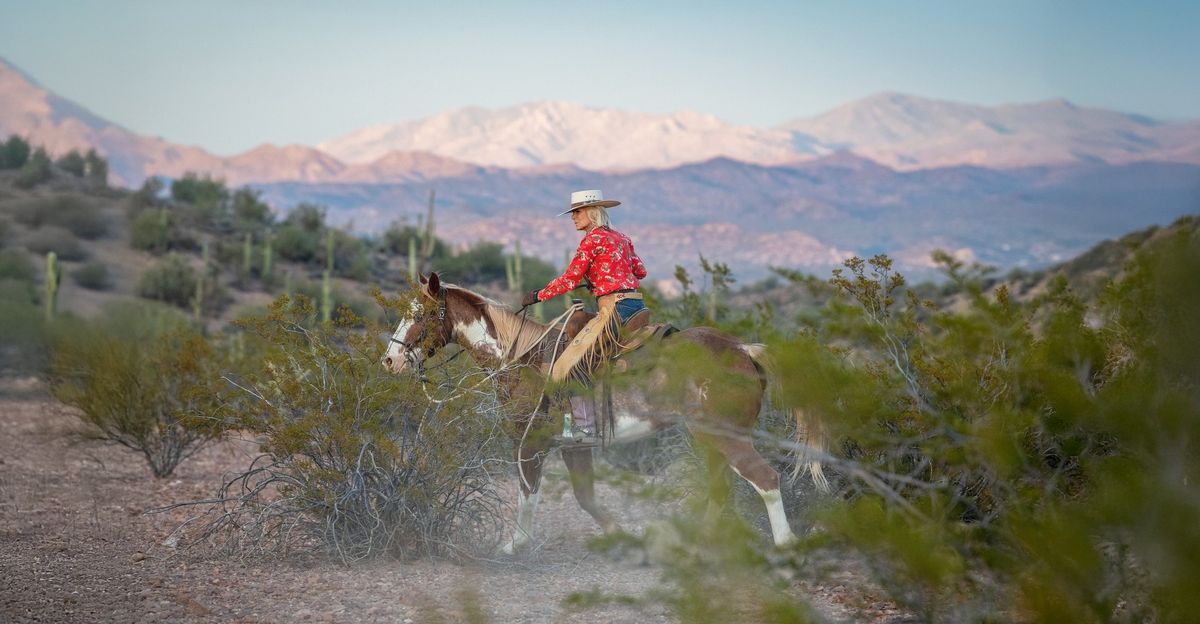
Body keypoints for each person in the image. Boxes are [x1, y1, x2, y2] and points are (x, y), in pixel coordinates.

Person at [522, 189, 648, 443]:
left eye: (577, 212)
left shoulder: (592, 240)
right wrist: (606, 274)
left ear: (591, 212)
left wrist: (537, 295)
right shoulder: (622, 238)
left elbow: (569, 280)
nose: (573, 217)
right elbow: (640, 271)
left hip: (613, 308)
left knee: (569, 365)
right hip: (637, 305)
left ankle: (586, 429)